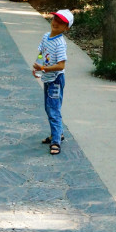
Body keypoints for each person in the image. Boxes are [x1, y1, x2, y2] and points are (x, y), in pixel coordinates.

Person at [33, 9, 73, 155]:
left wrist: (44, 68)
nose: (56, 23)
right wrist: (38, 67)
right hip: (48, 77)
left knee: (53, 109)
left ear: (66, 28)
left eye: (61, 22)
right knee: (48, 107)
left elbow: (61, 65)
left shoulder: (60, 43)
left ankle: (56, 141)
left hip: (56, 79)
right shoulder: (46, 37)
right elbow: (41, 53)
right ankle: (58, 133)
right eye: (55, 19)